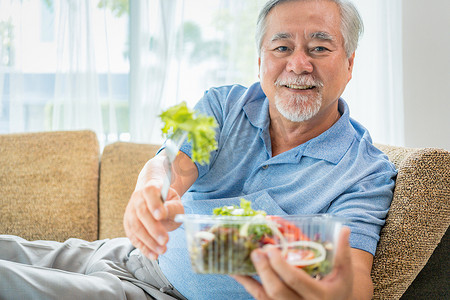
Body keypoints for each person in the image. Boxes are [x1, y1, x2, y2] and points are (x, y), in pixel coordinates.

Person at [0, 0, 396, 299]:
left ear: (349, 63)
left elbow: (355, 275)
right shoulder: (224, 105)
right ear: (260, 61)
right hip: (125, 254)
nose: (298, 64)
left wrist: (338, 292)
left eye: (319, 48)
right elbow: (174, 165)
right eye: (280, 48)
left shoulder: (364, 172)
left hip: (160, 294)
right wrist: (150, 190)